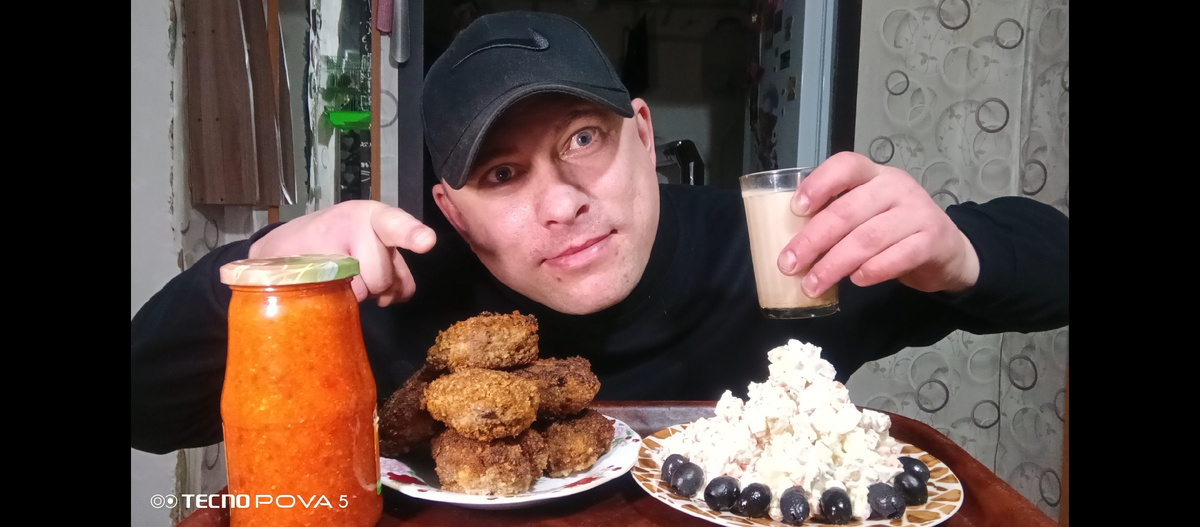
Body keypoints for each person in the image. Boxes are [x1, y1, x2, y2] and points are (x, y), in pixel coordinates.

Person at [130, 11, 1068, 455]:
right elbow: (143, 409)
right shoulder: (395, 293)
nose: (562, 203)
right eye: (502, 174)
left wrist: (961, 254)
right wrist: (260, 271)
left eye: (583, 139)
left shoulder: (782, 255)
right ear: (451, 211)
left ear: (645, 136)